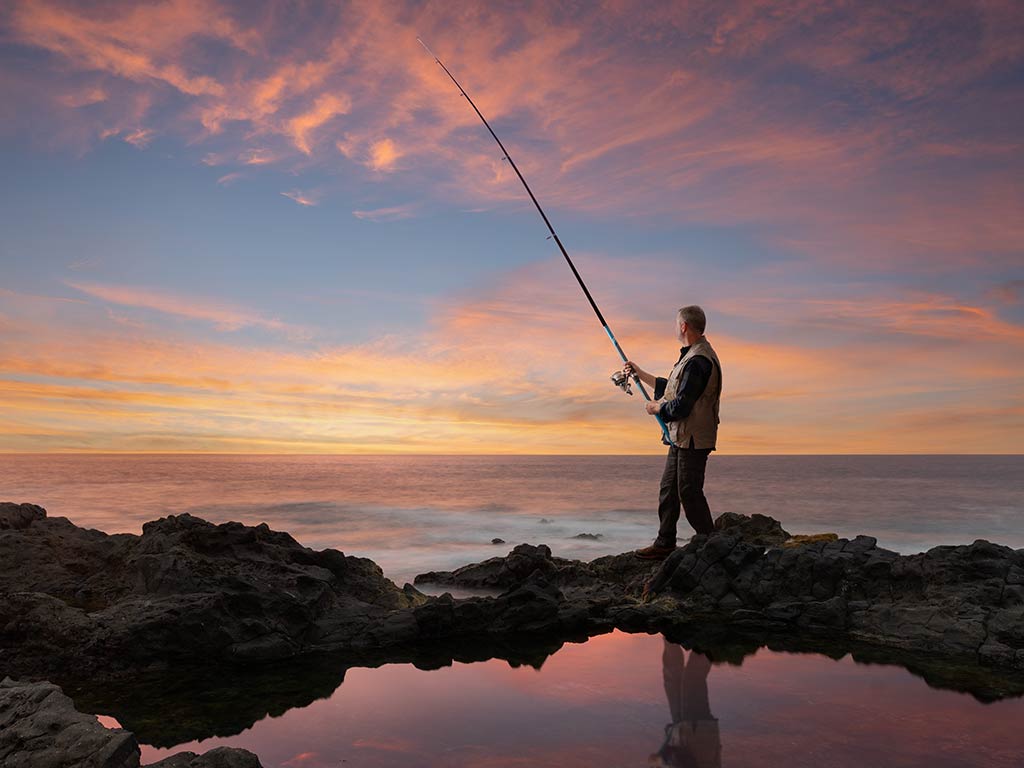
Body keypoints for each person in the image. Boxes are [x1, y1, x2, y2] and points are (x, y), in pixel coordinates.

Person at [625, 305, 722, 560]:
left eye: (676, 323)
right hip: (680, 437)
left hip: (693, 439)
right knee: (669, 490)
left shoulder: (699, 360)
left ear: (684, 326)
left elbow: (681, 406)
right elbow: (672, 389)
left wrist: (656, 408)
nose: (675, 328)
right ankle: (665, 542)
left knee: (689, 493)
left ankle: (711, 546)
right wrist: (640, 373)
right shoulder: (690, 356)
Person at [649, 639, 721, 768]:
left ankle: (669, 630)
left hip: (681, 737)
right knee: (692, 678)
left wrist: (663, 758)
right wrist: (662, 759)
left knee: (672, 678)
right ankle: (710, 633)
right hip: (698, 734)